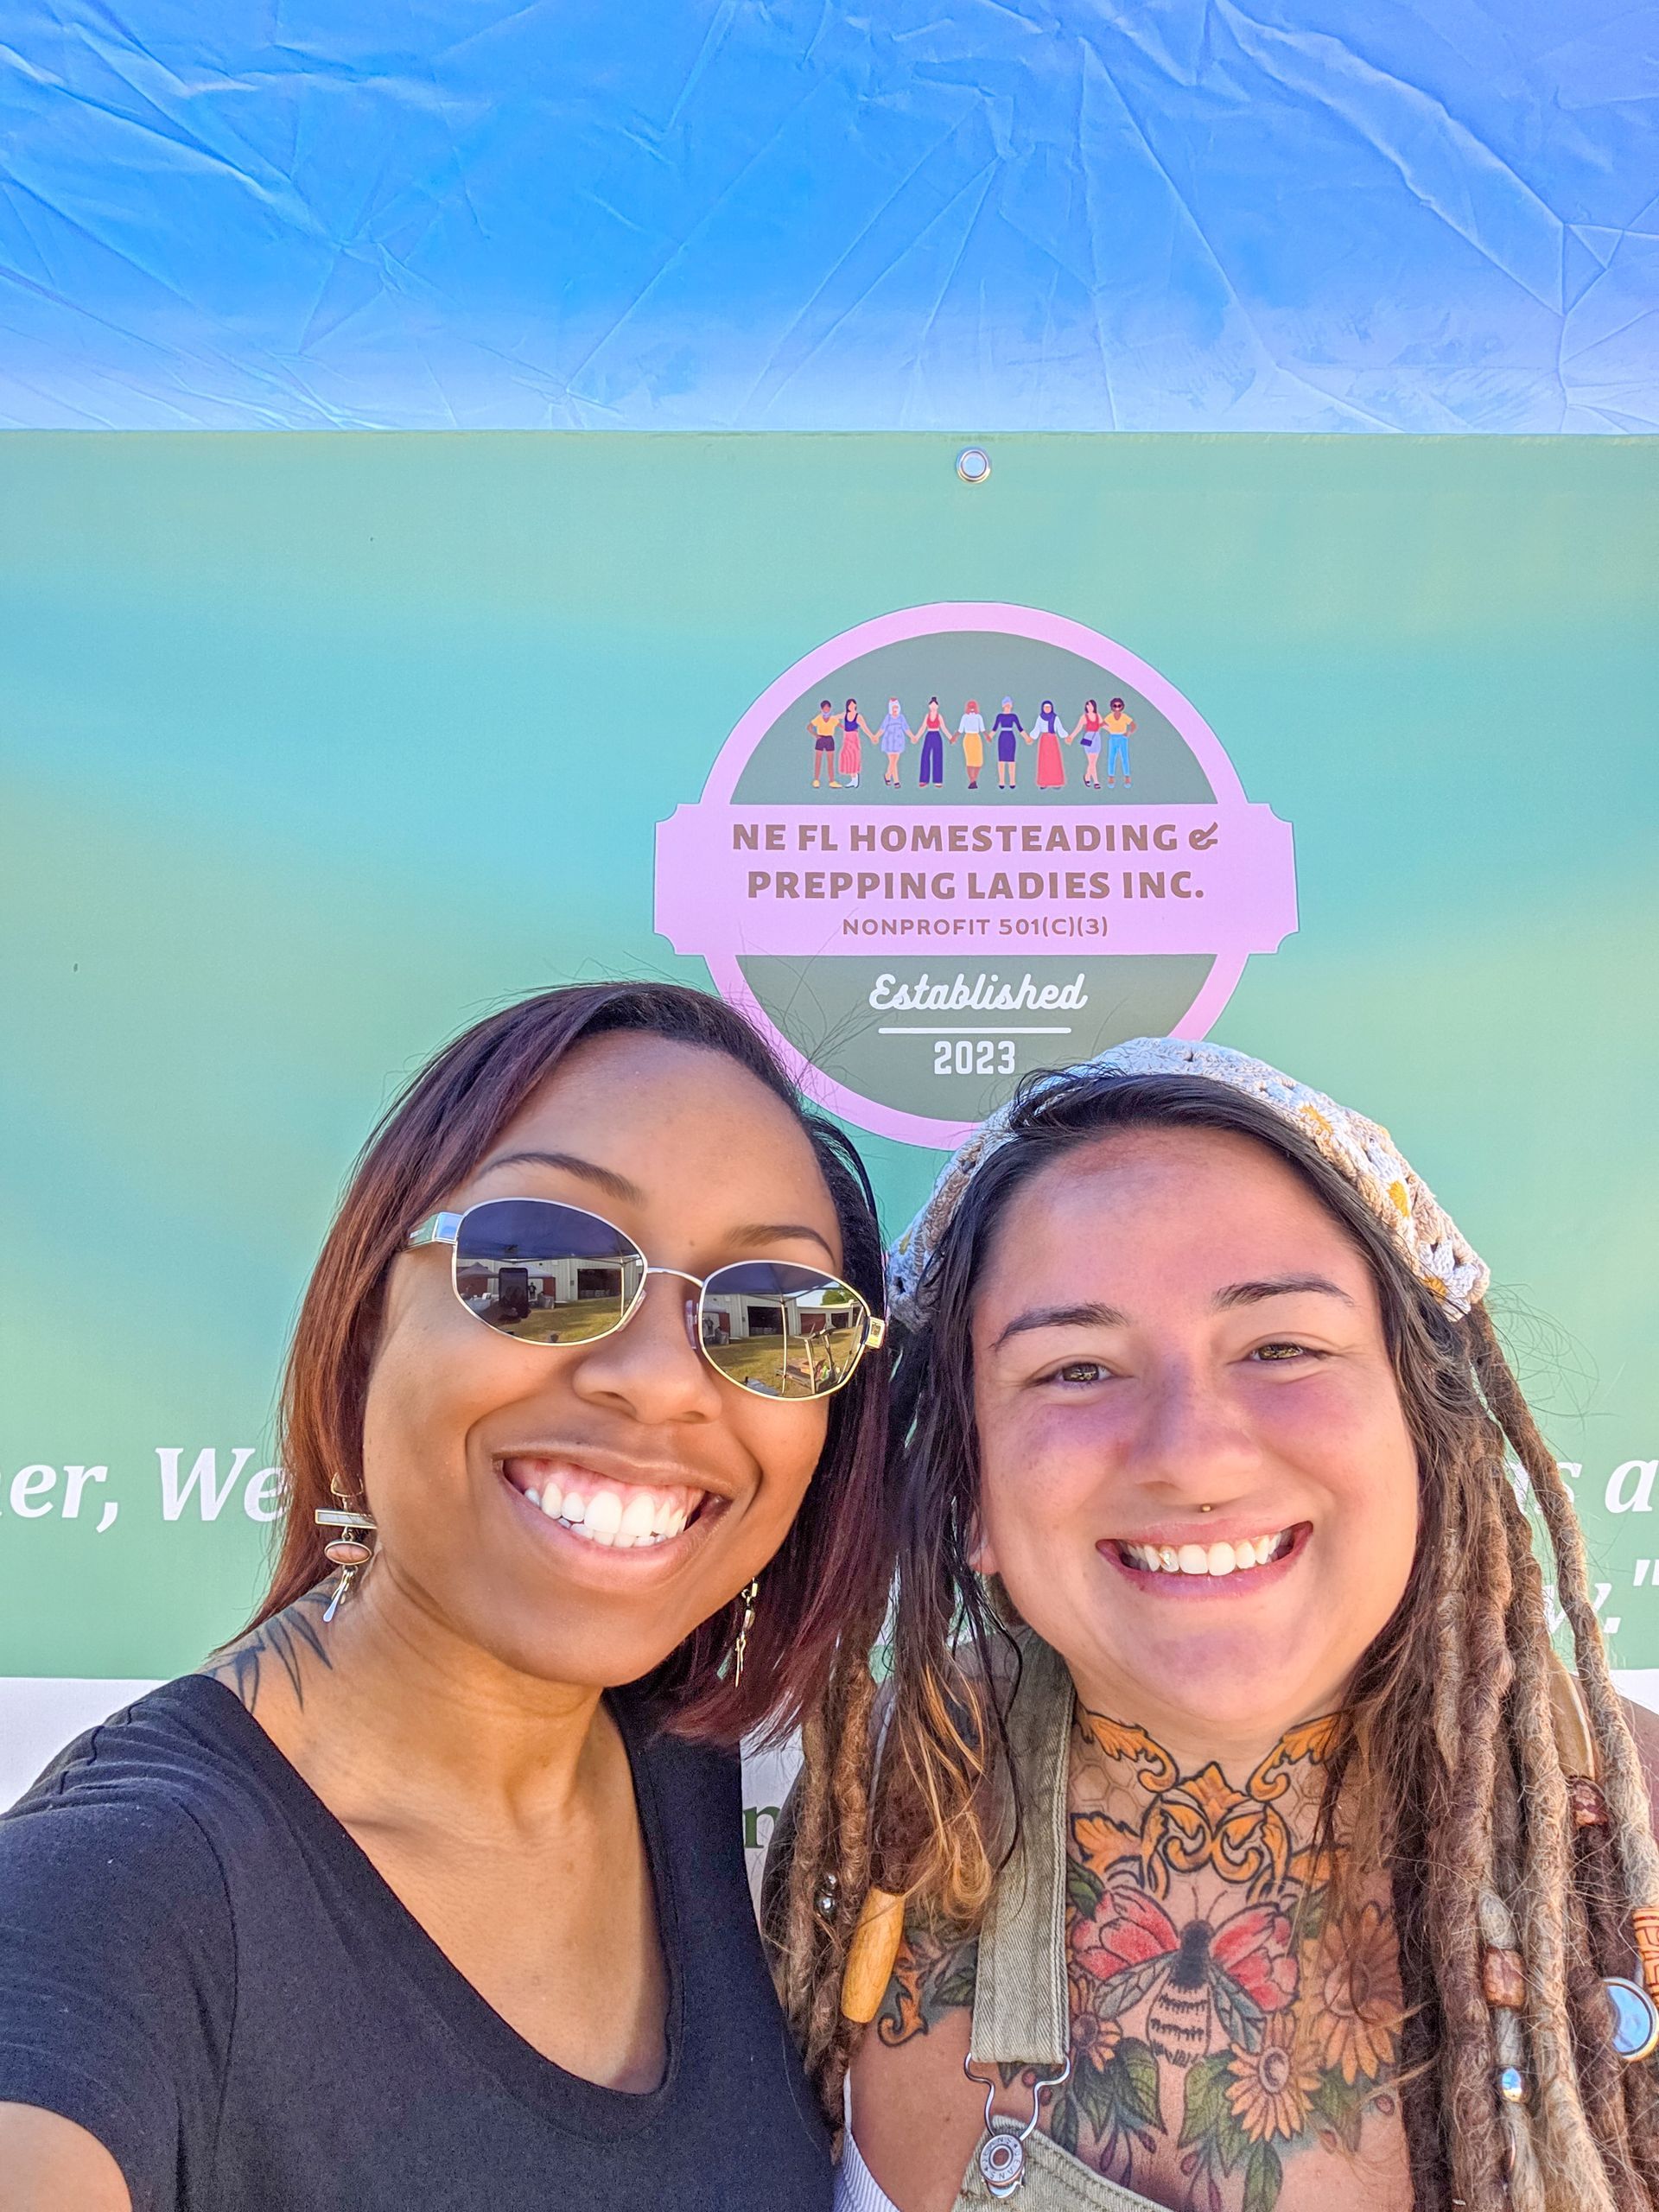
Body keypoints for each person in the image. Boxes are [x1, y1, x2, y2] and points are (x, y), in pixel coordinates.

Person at [0, 982, 893, 2212]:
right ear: (370, 1318)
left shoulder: (688, 1779)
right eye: (545, 1264)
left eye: (765, 1316)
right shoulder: (118, 1901)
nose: (660, 1383)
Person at [769, 1039, 1659, 2212]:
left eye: (1281, 1347)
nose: (1191, 1453)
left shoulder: (1635, 1835)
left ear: (1427, 1436)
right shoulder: (882, 1816)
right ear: (970, 1495)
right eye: (1077, 1369)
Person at [841, 698, 878, 791]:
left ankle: (855, 779)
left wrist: (872, 737)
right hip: (846, 738)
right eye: (850, 705)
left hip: (854, 738)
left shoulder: (858, 716)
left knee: (854, 757)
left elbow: (865, 728)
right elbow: (834, 717)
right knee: (846, 756)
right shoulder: (845, 715)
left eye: (853, 705)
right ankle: (852, 779)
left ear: (856, 706)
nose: (852, 706)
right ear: (847, 706)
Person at [1028, 700, 1065, 790]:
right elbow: (1037, 729)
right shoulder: (1040, 718)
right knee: (1044, 762)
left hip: (1053, 740)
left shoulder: (1055, 718)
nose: (1047, 709)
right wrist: (1031, 737)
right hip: (1044, 741)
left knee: (1054, 761)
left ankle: (1056, 782)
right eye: (1045, 707)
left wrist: (1066, 736)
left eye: (1049, 707)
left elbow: (1060, 729)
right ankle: (1044, 782)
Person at [877, 699, 914, 788]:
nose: (895, 709)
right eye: (893, 707)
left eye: (896, 707)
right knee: (892, 761)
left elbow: (906, 728)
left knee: (895, 761)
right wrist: (876, 736)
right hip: (889, 741)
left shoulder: (901, 717)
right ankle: (896, 781)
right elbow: (882, 728)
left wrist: (912, 736)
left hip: (898, 741)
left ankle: (887, 775)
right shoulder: (888, 718)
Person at [1070, 697, 1104, 788]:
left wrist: (1114, 730)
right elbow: (1078, 728)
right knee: (1091, 761)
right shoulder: (1084, 717)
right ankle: (1096, 781)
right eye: (1087, 705)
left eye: (1090, 705)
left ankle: (1087, 777)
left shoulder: (1098, 716)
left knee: (1093, 762)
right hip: (1088, 738)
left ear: (1094, 706)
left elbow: (1103, 725)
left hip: (1097, 738)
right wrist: (1071, 737)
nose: (1089, 707)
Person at [952, 701, 986, 791]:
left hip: (976, 738)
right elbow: (960, 730)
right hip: (968, 738)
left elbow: (982, 729)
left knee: (978, 760)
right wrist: (954, 737)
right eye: (970, 707)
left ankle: (975, 778)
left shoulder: (979, 717)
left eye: (973, 707)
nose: (972, 709)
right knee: (970, 760)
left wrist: (987, 736)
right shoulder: (964, 717)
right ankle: (972, 780)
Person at [1103, 696, 1136, 785]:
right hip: (1113, 737)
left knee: (1124, 757)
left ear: (1122, 707)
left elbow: (1133, 725)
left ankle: (1127, 777)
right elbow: (1102, 724)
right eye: (1115, 706)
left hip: (1122, 738)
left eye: (1119, 705)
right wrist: (1109, 729)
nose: (1117, 707)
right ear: (1112, 707)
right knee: (1111, 758)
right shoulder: (1109, 717)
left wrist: (1129, 733)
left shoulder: (1124, 717)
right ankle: (1111, 777)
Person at [991, 698, 1023, 790]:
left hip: (1010, 738)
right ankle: (1001, 781)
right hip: (1002, 738)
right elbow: (994, 728)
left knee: (1011, 760)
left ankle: (1012, 781)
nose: (1007, 706)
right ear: (1003, 706)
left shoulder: (1014, 716)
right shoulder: (999, 716)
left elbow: (1020, 728)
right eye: (1006, 704)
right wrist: (989, 737)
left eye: (1009, 704)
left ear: (1011, 706)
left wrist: (1027, 737)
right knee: (1001, 760)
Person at [810, 698, 842, 789]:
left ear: (830, 708)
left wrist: (850, 730)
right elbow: (809, 727)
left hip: (829, 740)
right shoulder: (818, 718)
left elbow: (841, 726)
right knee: (818, 761)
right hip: (820, 739)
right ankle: (816, 780)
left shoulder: (833, 719)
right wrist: (816, 735)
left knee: (830, 762)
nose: (826, 709)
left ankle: (831, 781)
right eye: (825, 708)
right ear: (822, 709)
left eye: (828, 708)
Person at [916, 699, 947, 791]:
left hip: (937, 736)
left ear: (937, 706)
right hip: (929, 735)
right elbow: (923, 727)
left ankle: (938, 780)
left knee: (937, 757)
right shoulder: (927, 716)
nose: (933, 707)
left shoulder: (939, 716)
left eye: (935, 705)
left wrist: (951, 738)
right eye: (931, 705)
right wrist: (916, 737)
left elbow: (944, 728)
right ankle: (924, 780)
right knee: (925, 756)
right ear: (929, 706)